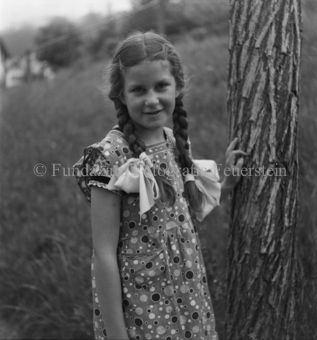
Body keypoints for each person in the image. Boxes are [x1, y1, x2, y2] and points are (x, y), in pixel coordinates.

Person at [73, 31, 246, 340]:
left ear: (177, 86)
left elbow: (184, 211)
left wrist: (228, 183)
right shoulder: (108, 157)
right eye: (138, 89)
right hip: (141, 312)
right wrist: (117, 335)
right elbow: (103, 254)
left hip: (189, 297)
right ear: (121, 94)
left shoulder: (174, 142)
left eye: (161, 86)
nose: (152, 100)